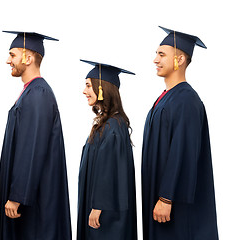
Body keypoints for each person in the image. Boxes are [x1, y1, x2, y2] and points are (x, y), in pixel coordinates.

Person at [141, 26, 219, 240]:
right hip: (158, 197)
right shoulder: (166, 98)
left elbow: (183, 151)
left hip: (174, 205)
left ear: (180, 59)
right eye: (156, 54)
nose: (155, 59)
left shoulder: (186, 99)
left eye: (161, 54)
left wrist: (166, 198)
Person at [0, 31, 71, 240]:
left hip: (35, 202)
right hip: (29, 197)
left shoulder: (38, 93)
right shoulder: (30, 91)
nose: (7, 60)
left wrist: (17, 195)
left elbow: (31, 147)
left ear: (28, 58)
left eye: (12, 55)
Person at [77, 60, 137, 240]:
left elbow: (109, 171)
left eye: (88, 85)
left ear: (101, 88)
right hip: (100, 206)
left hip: (105, 213)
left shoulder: (113, 127)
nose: (84, 91)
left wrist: (97, 207)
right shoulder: (109, 123)